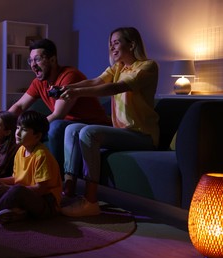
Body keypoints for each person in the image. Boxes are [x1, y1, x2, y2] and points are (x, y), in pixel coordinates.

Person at [59, 27, 159, 217]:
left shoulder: (147, 66)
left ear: (132, 44)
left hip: (141, 135)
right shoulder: (118, 68)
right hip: (122, 132)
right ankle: (68, 191)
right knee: (72, 128)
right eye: (110, 43)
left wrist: (76, 93)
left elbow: (116, 87)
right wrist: (66, 87)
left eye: (116, 42)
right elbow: (96, 81)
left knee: (88, 133)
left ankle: (90, 201)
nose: (112, 47)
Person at [8, 39, 110, 177]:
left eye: (37, 59)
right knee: (15, 129)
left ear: (52, 60)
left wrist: (28, 129)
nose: (33, 65)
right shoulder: (39, 82)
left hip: (90, 125)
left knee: (55, 127)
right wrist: (3, 123)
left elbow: (58, 115)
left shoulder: (69, 76)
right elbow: (19, 106)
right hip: (68, 124)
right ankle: (19, 173)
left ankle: (56, 179)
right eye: (30, 61)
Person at [0, 110, 63, 225]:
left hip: (47, 204)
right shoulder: (21, 150)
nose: (18, 133)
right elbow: (16, 178)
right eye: (17, 128)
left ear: (37, 136)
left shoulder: (41, 155)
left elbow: (41, 189)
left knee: (17, 190)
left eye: (24, 130)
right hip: (24, 195)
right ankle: (16, 211)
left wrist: (8, 188)